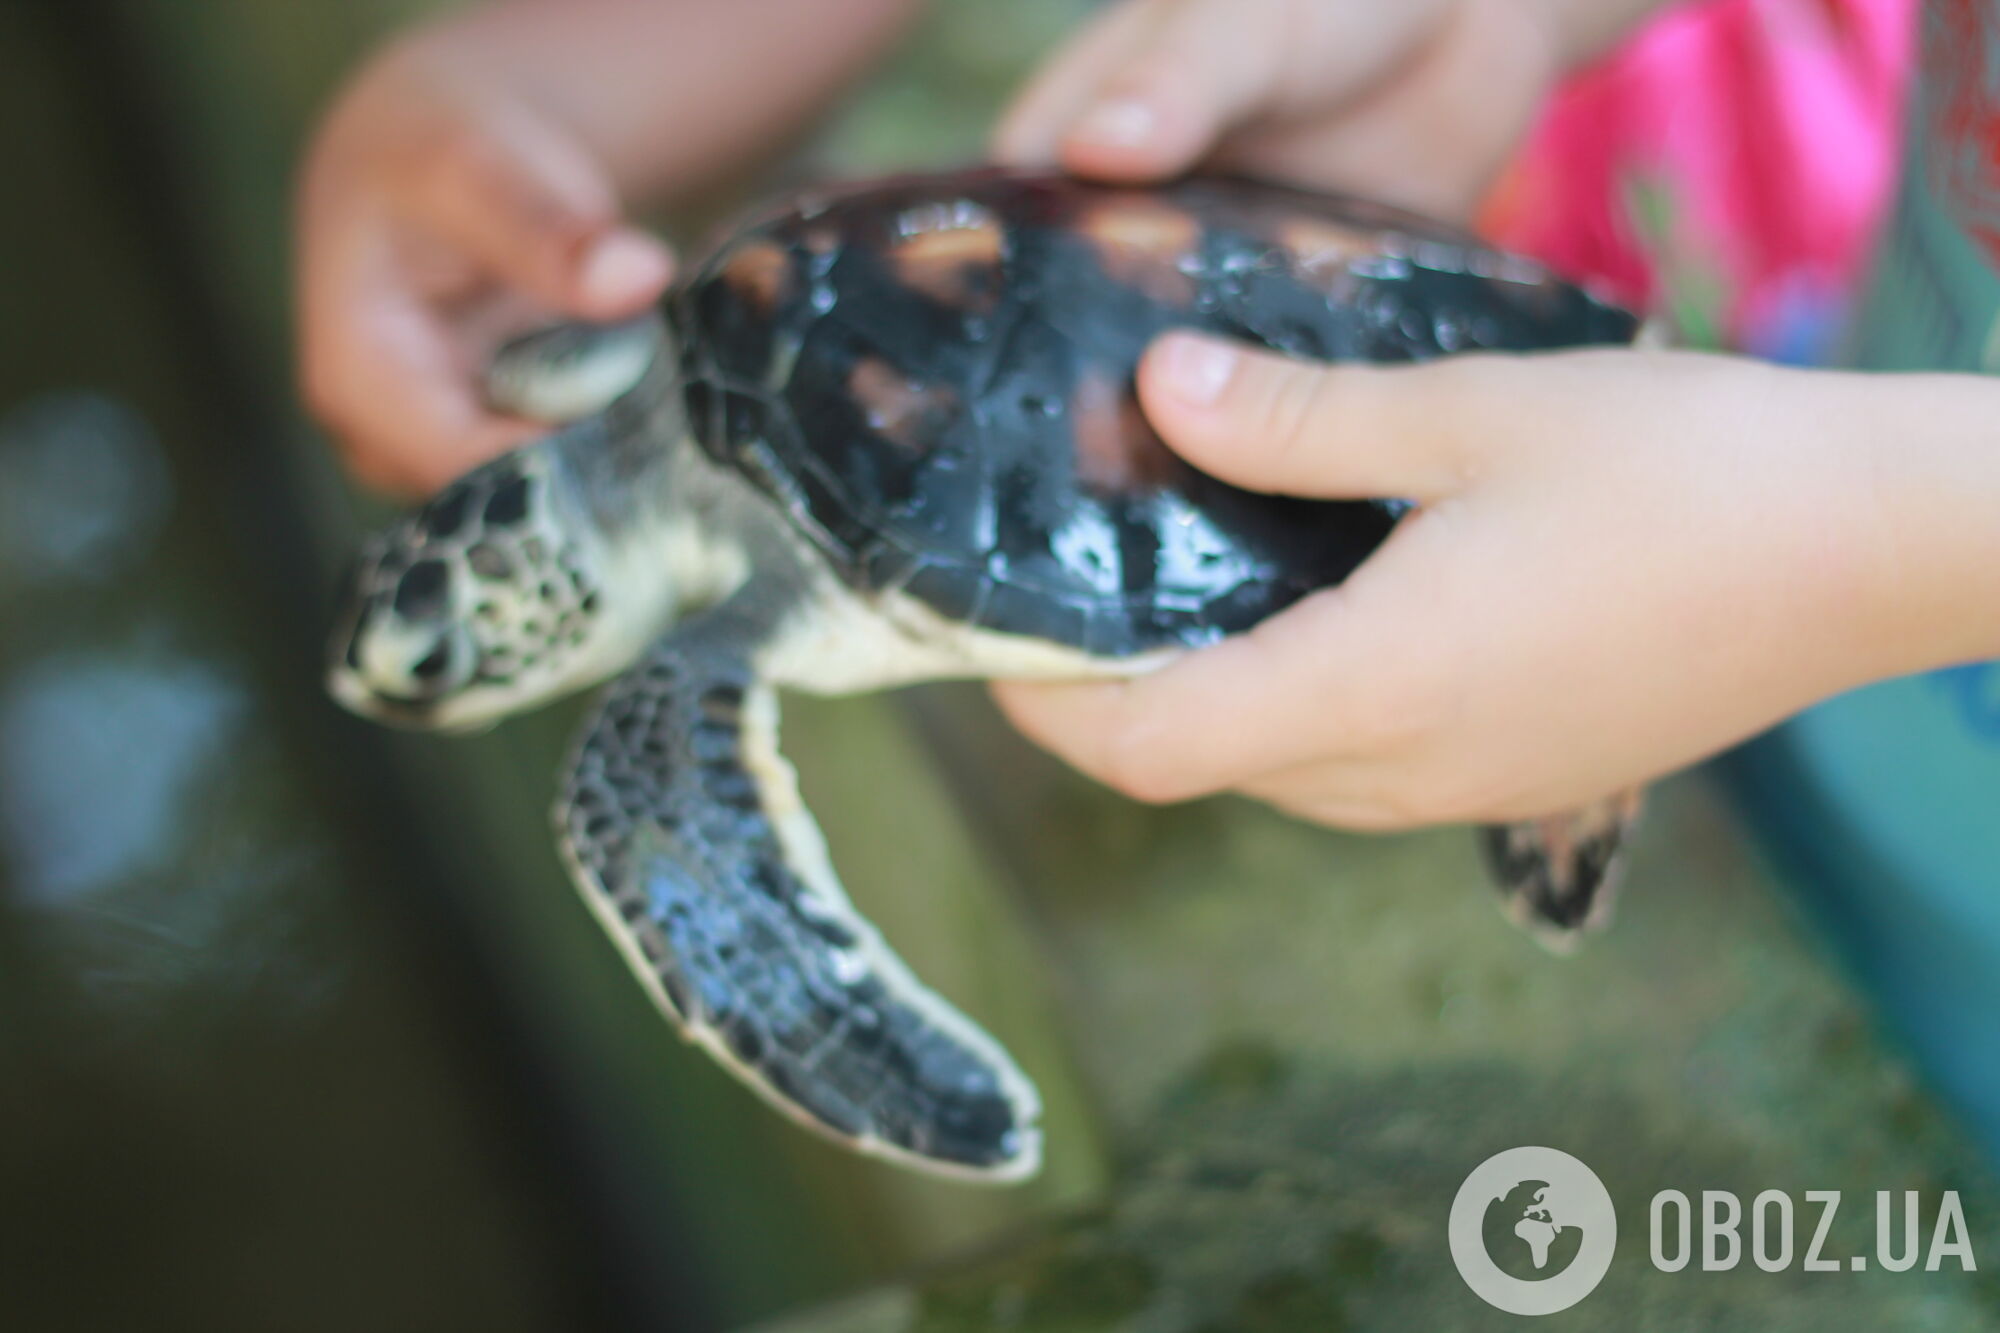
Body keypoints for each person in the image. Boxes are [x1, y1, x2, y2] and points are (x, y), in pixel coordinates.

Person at [298, 0, 2000, 1152]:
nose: (426, 684)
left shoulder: (660, 687)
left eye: (442, 658)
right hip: (1804, 510)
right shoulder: (666, 346)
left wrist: (1859, 533)